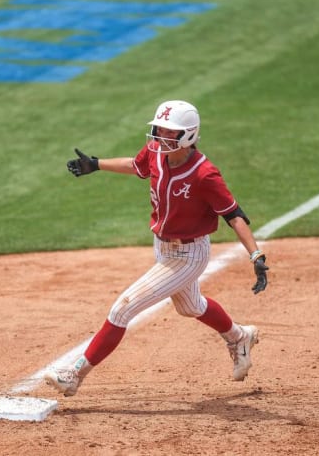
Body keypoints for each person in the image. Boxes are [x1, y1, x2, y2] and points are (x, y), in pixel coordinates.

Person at [45, 100, 269, 396]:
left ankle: (74, 374)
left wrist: (255, 254)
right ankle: (239, 336)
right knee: (191, 306)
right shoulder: (155, 153)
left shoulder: (205, 175)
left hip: (189, 255)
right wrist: (96, 164)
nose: (159, 136)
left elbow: (233, 214)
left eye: (168, 132)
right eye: (158, 129)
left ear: (187, 136)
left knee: (123, 308)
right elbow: (135, 166)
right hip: (162, 247)